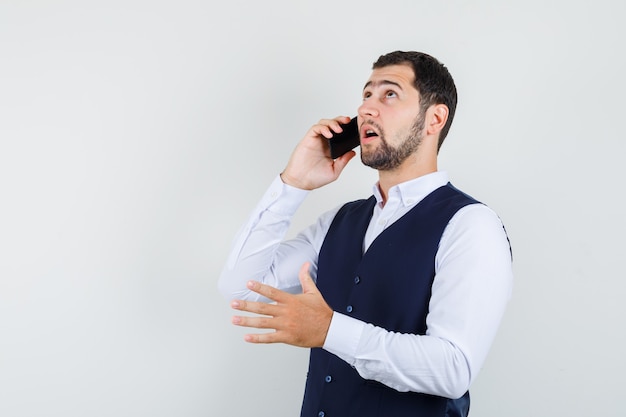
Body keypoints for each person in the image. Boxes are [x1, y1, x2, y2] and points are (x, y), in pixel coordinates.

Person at [218, 50, 513, 417]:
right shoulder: (340, 221)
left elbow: (453, 368)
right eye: (366, 95)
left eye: (389, 94)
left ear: (434, 118)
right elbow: (241, 285)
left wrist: (330, 330)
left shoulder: (470, 224)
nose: (367, 110)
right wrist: (292, 183)